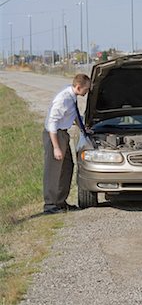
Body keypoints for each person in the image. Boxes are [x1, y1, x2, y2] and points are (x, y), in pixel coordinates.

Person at [43, 73, 91, 214]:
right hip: (55, 135)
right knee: (54, 171)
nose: (87, 92)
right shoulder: (62, 99)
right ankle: (50, 206)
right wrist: (56, 147)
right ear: (78, 87)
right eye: (86, 89)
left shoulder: (72, 97)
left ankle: (61, 202)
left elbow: (73, 115)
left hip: (63, 134)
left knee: (67, 166)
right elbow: (52, 124)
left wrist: (83, 127)